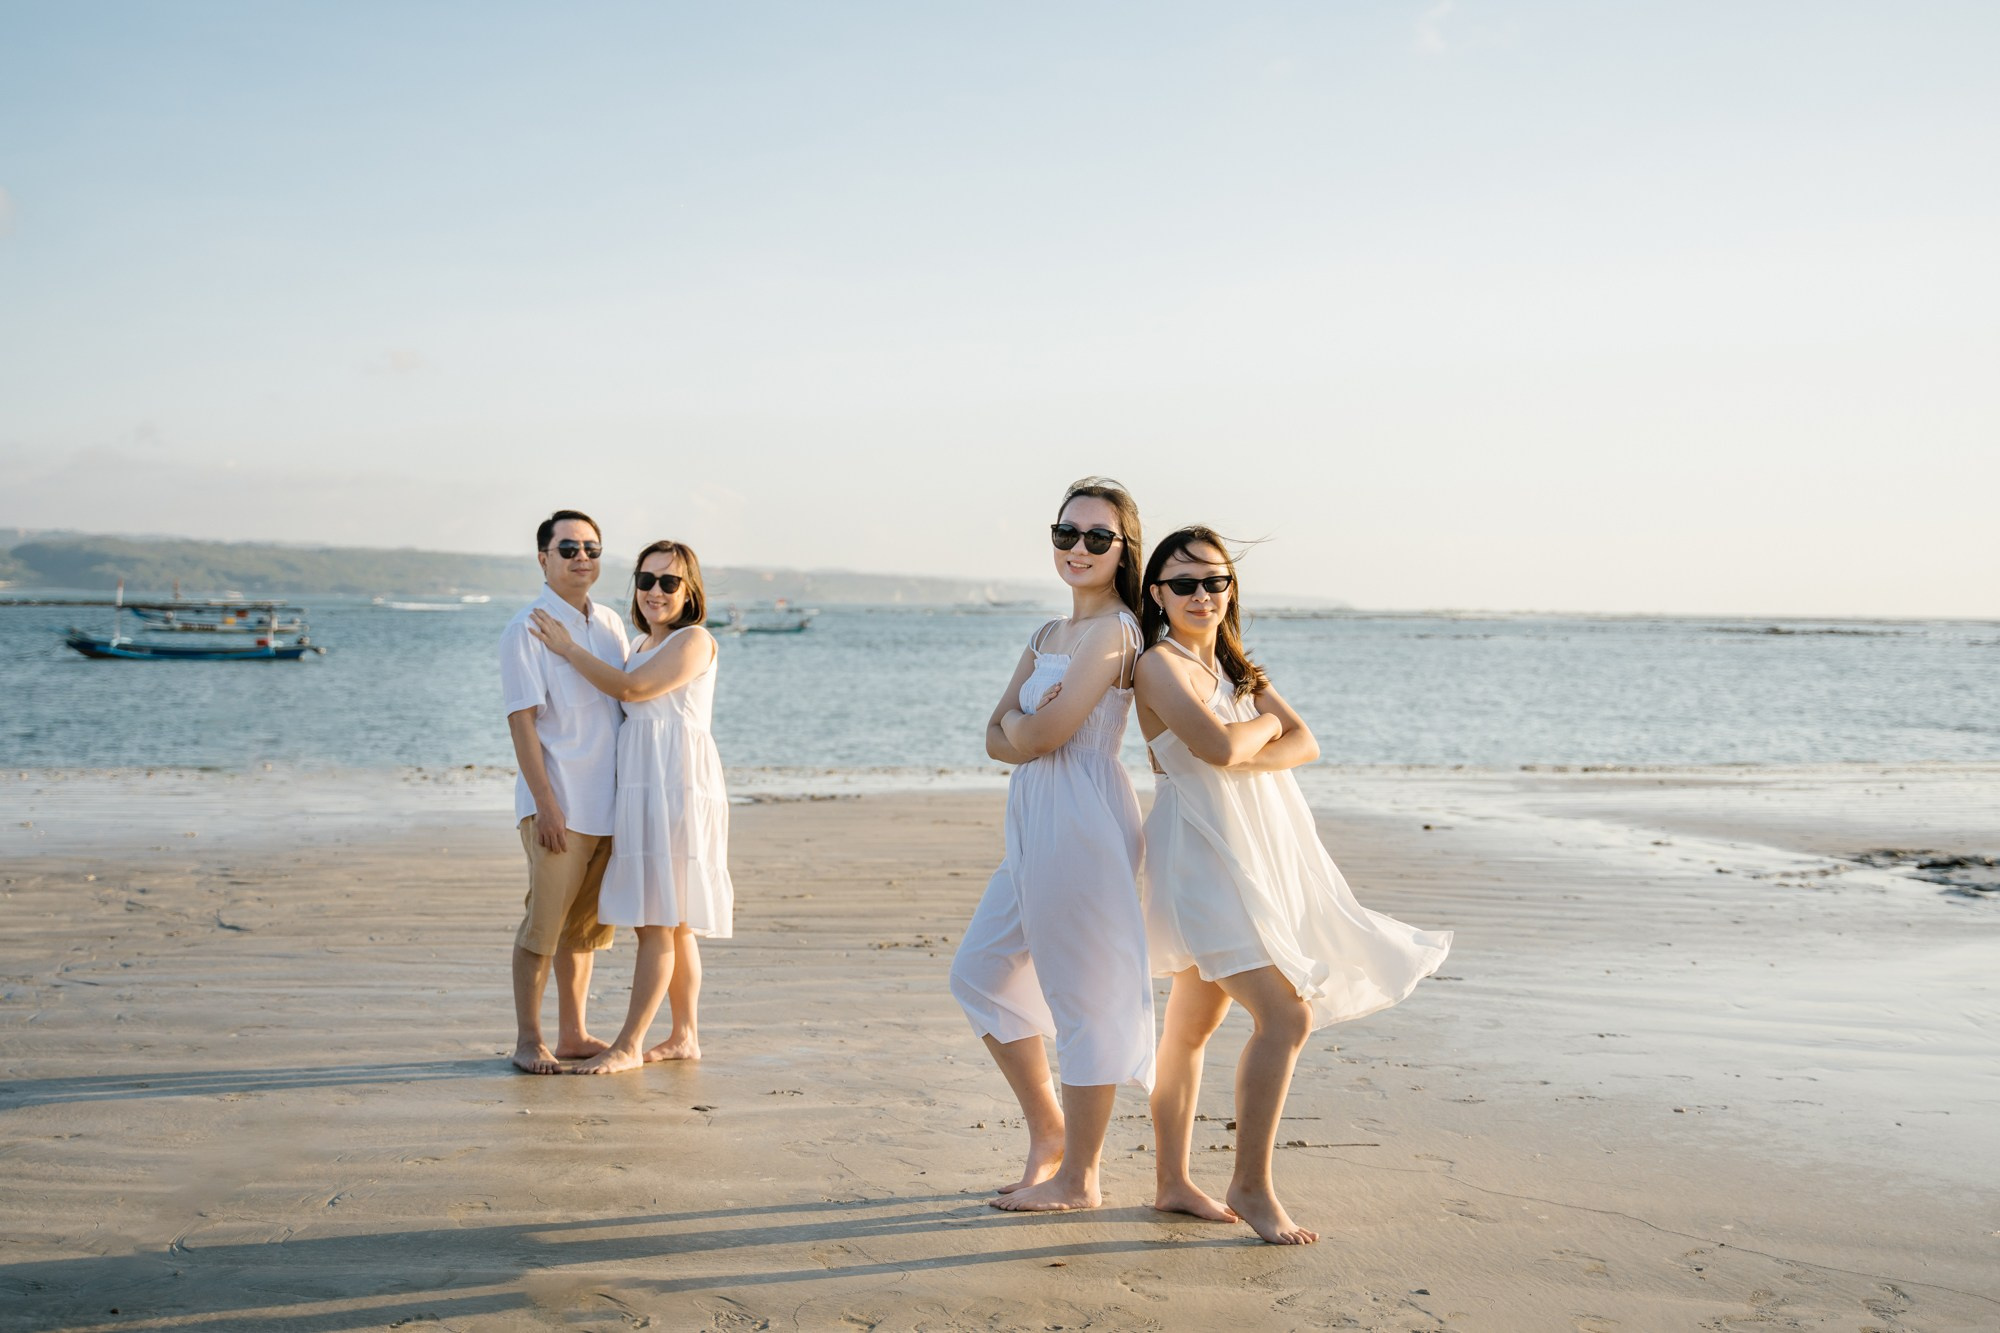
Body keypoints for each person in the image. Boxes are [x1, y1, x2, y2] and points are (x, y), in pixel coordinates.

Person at [1134, 526, 1453, 1244]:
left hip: (1255, 853)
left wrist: (1249, 734)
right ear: (1157, 592)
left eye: (1214, 581)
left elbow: (1305, 741)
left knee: (1192, 1023)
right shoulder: (1159, 665)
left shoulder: (1237, 668)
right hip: (1203, 856)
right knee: (1287, 1015)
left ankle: (1170, 1182)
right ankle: (1249, 1184)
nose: (1201, 595)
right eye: (1183, 583)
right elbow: (1215, 746)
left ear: (1231, 590)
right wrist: (1256, 732)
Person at [948, 477, 1156, 1213]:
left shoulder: (1118, 631)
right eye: (1066, 533)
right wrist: (1019, 736)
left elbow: (1035, 733)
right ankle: (1050, 1134)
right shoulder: (1046, 635)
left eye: (1097, 537)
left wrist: (1020, 735)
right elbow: (992, 735)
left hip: (1084, 817)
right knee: (978, 969)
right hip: (1034, 815)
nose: (1078, 548)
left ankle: (1081, 1180)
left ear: (1123, 548)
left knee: (1081, 994)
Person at [527, 539, 730, 1075]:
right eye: (646, 581)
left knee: (658, 919)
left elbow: (634, 690)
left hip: (675, 784)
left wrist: (569, 648)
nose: (655, 592)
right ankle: (684, 1035)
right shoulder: (638, 642)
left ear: (690, 590)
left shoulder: (694, 640)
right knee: (674, 919)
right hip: (644, 784)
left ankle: (630, 1043)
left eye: (668, 582)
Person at [498, 510, 631, 1075]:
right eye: (570, 547)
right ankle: (530, 1040)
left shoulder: (609, 624)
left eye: (592, 549)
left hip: (608, 805)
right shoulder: (525, 628)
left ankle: (573, 1033)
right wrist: (546, 805)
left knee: (584, 927)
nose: (582, 557)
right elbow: (522, 722)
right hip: (560, 806)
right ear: (543, 559)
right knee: (544, 924)